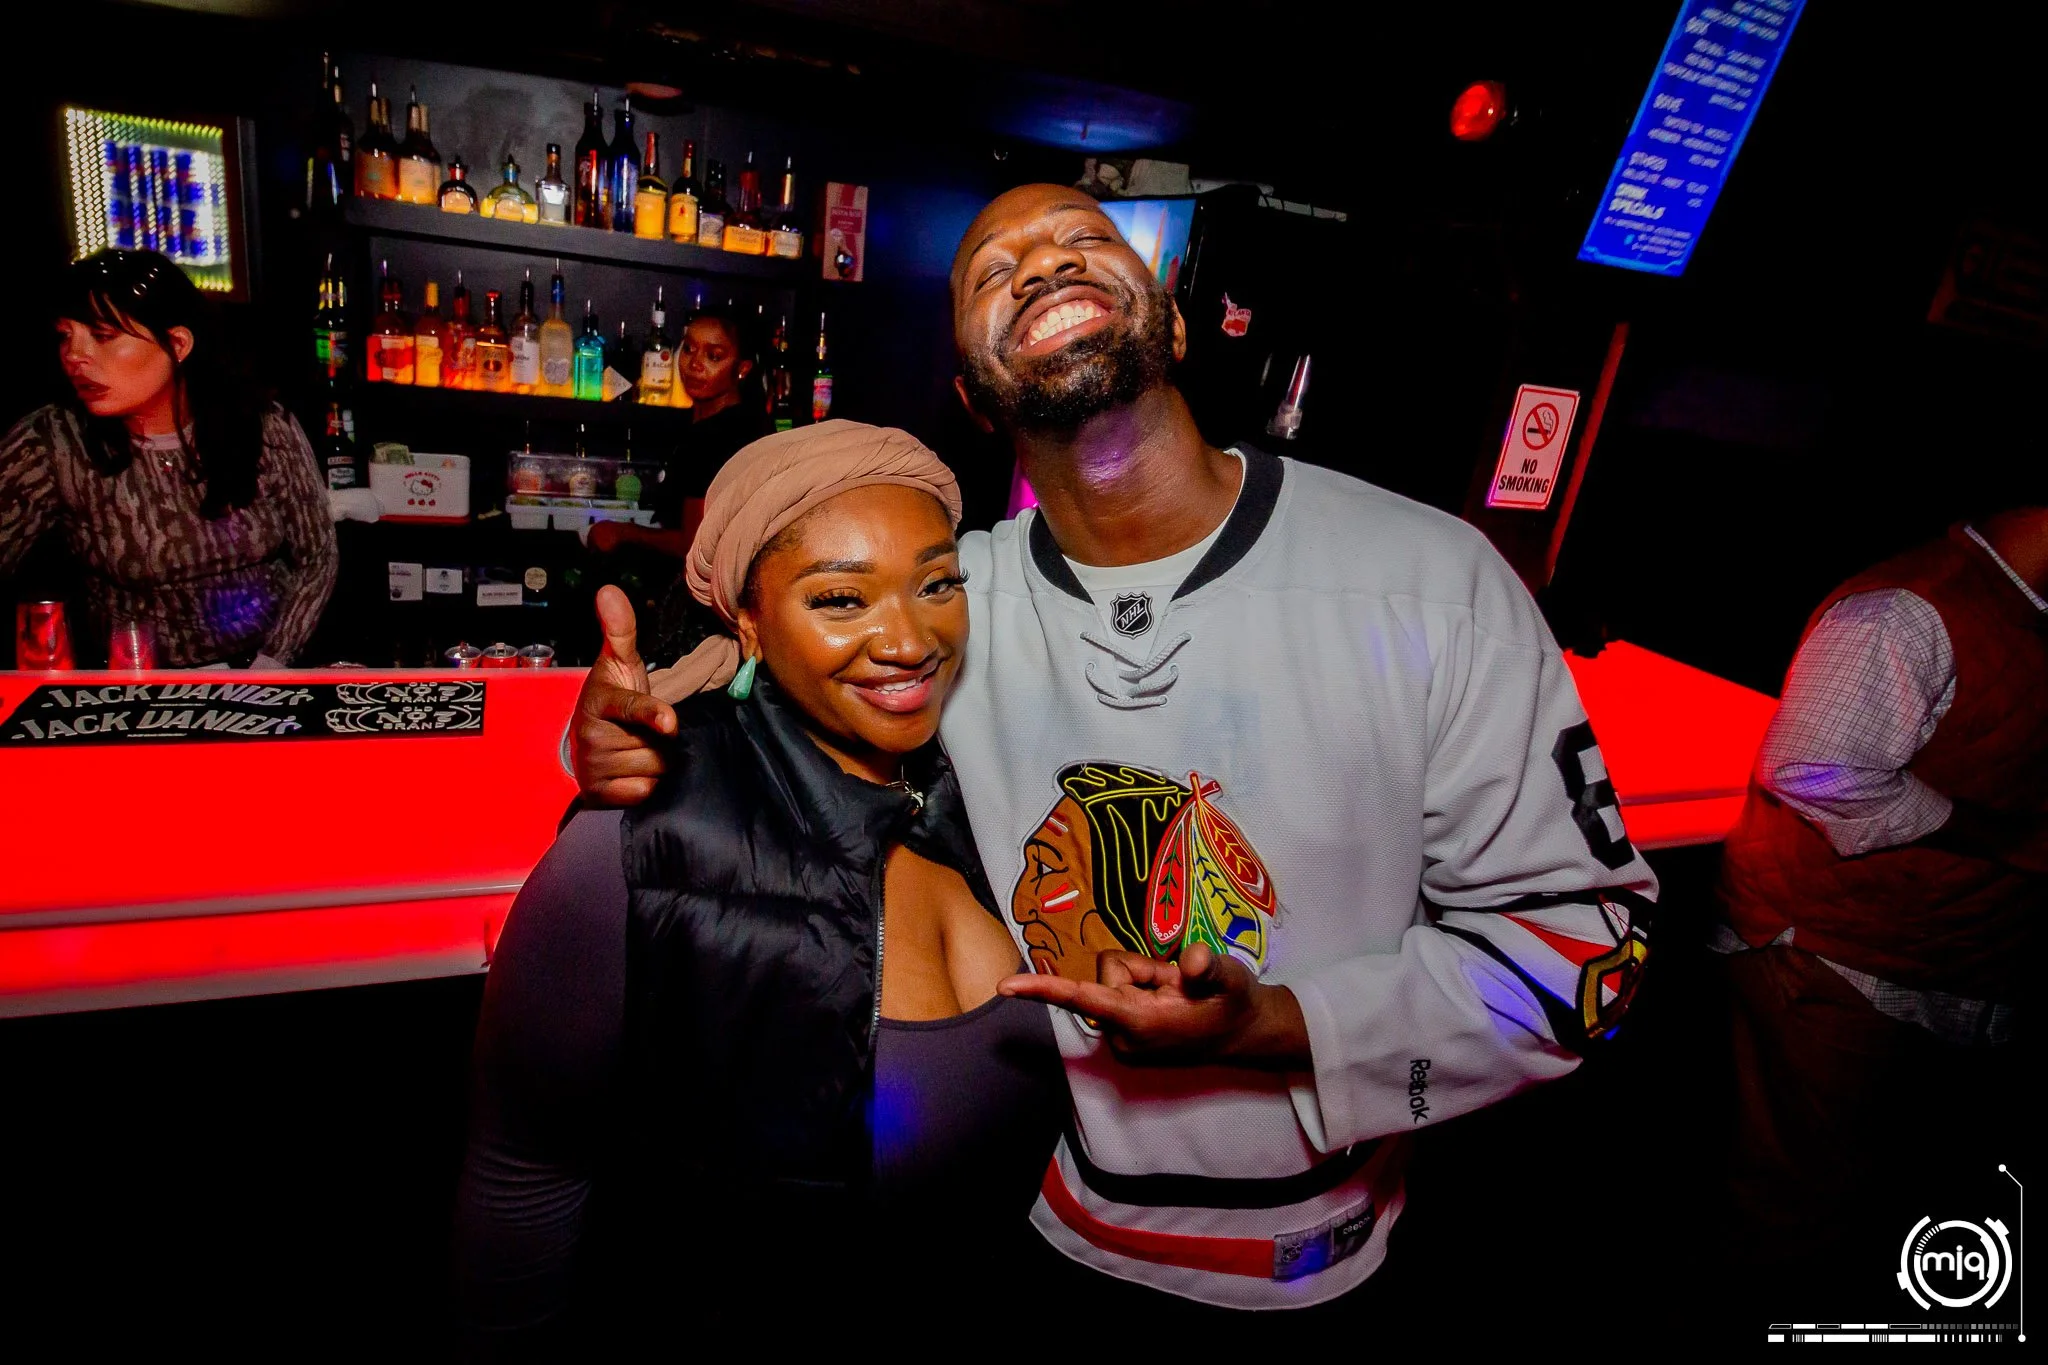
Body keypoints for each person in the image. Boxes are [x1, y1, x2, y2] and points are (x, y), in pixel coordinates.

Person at [567, 184, 1658, 1316]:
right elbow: (761, 697)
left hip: (1318, 1265)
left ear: (1173, 326)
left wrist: (1280, 1026)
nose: (1042, 264)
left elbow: (1590, 951)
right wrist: (615, 739)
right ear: (971, 395)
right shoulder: (945, 605)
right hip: (1032, 1230)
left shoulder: (1428, 582)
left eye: (1083, 240)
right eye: (994, 273)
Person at [454, 422, 1066, 1349]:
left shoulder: (988, 791)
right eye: (841, 598)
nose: (910, 639)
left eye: (937, 584)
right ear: (747, 618)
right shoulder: (643, 840)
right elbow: (524, 1175)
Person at [1716, 508, 2044, 1279]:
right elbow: (1810, 769)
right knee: (1799, 1211)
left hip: (1949, 960)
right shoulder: (1908, 611)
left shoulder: (2015, 612)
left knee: (1881, 1196)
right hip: (1838, 962)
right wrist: (2006, 838)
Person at [0, 249, 337, 668]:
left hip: (265, 670)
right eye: (66, 336)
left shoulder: (263, 425)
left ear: (177, 344)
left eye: (102, 336)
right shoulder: (52, 441)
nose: (74, 356)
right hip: (136, 682)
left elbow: (317, 556)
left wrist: (272, 664)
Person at [587, 305, 767, 560]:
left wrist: (622, 533)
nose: (694, 364)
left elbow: (695, 544)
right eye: (689, 348)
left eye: (713, 356)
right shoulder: (706, 422)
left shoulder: (723, 435)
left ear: (742, 369)